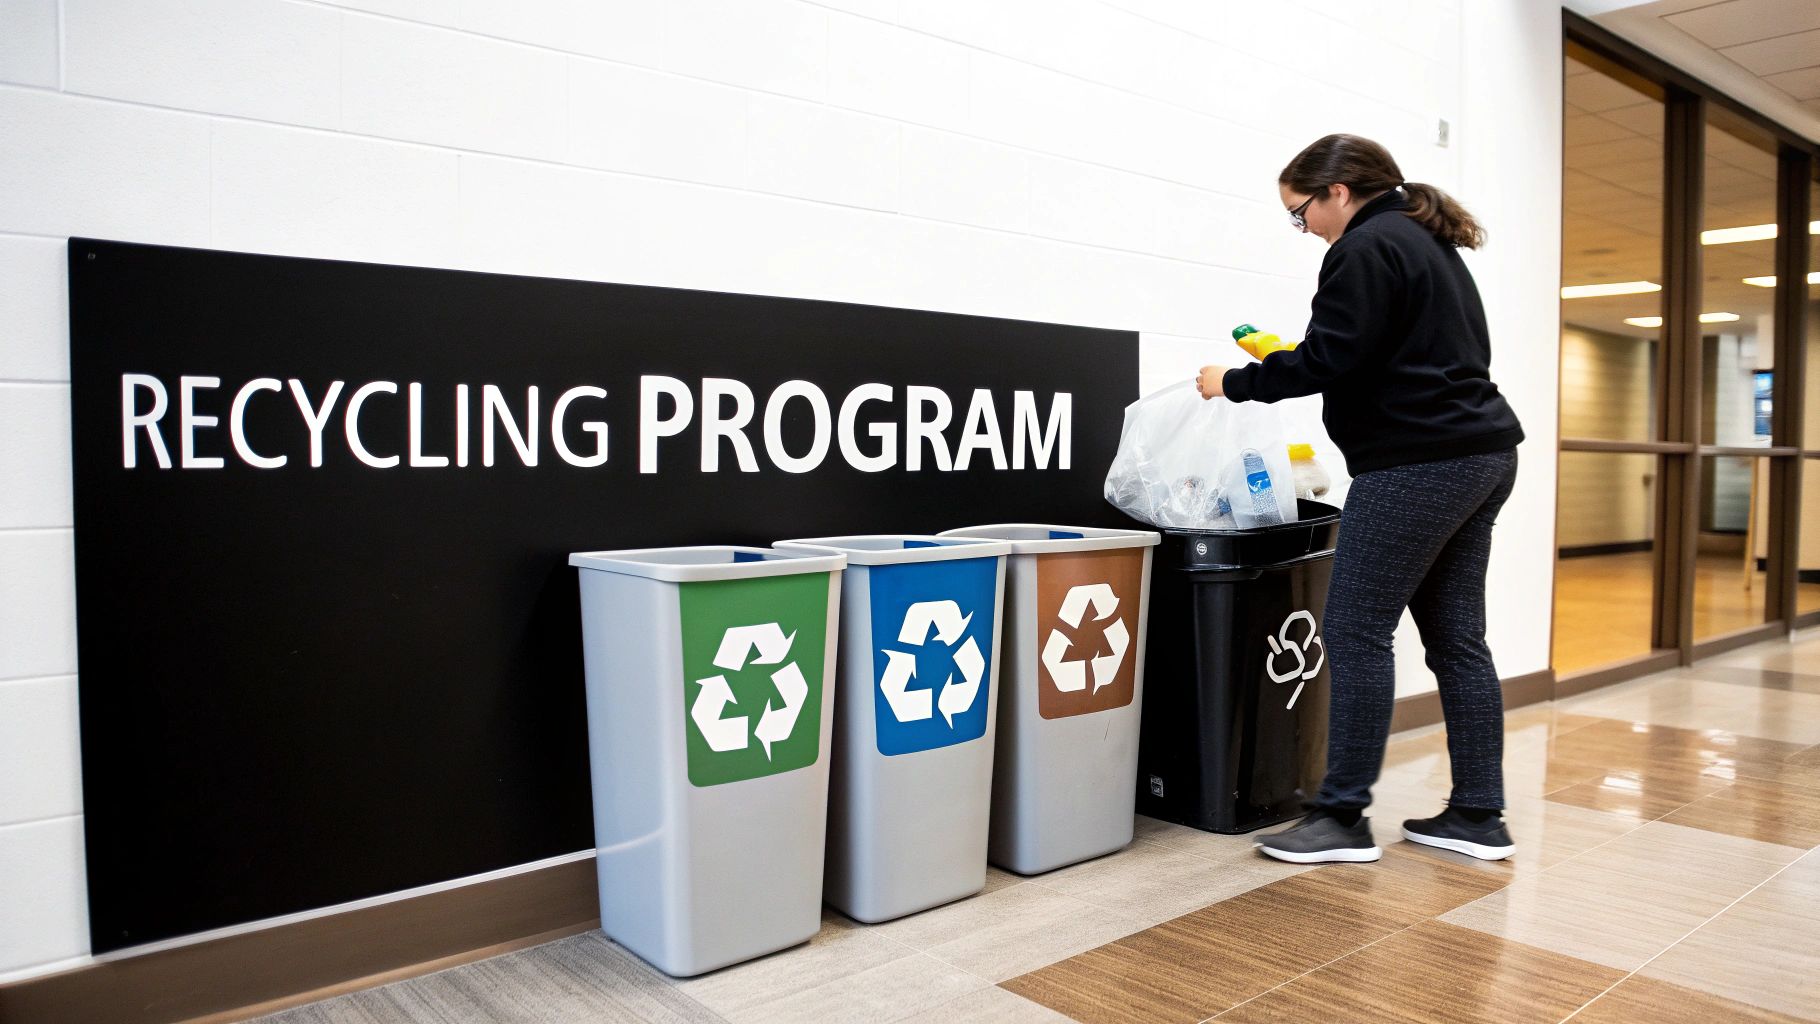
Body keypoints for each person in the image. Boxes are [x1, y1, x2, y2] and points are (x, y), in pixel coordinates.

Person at [1195, 134, 1524, 865]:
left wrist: (1236, 381)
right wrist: (1300, 358)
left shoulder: (1366, 247)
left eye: (1300, 211)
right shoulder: (1426, 242)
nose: (1303, 227)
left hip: (1418, 463)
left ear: (1337, 192)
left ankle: (1341, 818)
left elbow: (1331, 358)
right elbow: (1379, 353)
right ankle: (1478, 813)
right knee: (1457, 639)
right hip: (1481, 454)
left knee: (1353, 629)